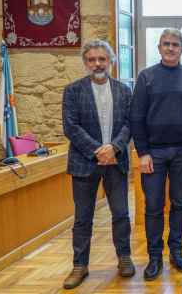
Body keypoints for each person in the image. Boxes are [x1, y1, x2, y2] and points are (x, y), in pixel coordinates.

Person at [130, 29, 182, 280]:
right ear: (159, 48)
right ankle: (154, 257)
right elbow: (136, 117)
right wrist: (143, 153)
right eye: (166, 44)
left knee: (180, 204)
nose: (170, 48)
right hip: (154, 153)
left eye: (175, 44)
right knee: (153, 206)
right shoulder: (146, 77)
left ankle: (176, 251)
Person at [62, 39, 134, 289]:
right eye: (91, 59)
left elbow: (129, 124)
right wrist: (97, 150)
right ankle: (79, 265)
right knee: (83, 217)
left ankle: (124, 258)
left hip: (116, 161)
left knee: (122, 214)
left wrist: (113, 147)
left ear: (111, 62)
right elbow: (71, 127)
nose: (97, 64)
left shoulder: (124, 90)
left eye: (102, 59)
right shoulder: (72, 91)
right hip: (84, 163)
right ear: (85, 62)